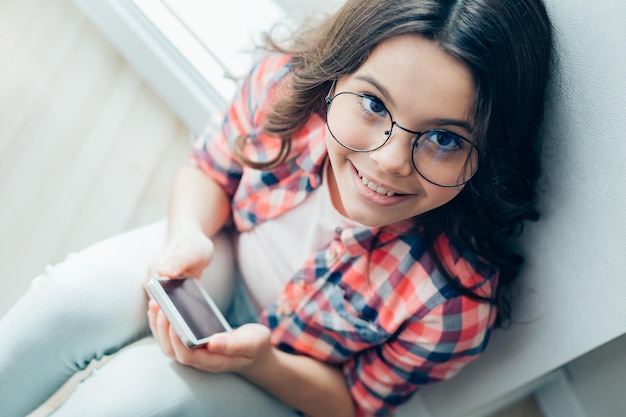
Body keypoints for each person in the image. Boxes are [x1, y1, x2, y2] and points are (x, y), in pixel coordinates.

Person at [0, 0, 555, 416]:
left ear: (492, 156)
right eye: (371, 103)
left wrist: (259, 362)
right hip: (222, 253)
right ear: (337, 72)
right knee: (68, 302)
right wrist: (189, 233)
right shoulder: (286, 89)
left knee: (126, 397)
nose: (388, 162)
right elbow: (209, 169)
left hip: (287, 372)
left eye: (445, 140)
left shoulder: (451, 300)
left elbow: (354, 403)